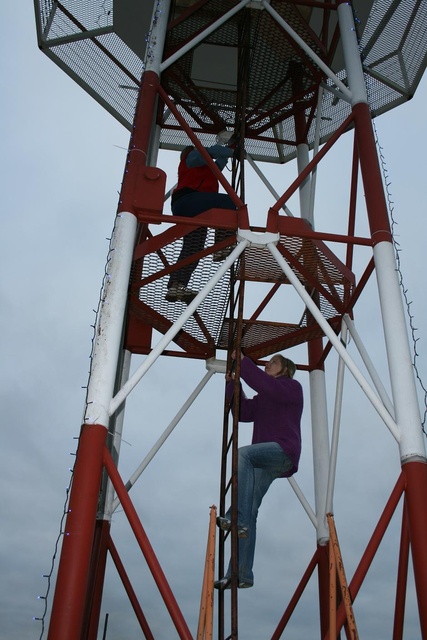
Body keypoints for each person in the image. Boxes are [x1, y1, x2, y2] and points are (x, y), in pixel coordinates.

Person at [214, 351, 303, 590]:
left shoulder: (292, 388)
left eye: (273, 362)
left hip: (283, 451)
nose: (268, 364)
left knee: (242, 454)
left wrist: (244, 362)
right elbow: (242, 412)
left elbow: (266, 386)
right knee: (249, 512)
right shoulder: (265, 396)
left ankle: (235, 516)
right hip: (263, 460)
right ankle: (241, 574)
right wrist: (233, 383)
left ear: (286, 369)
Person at [165, 136, 237, 303]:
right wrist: (232, 150)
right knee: (228, 201)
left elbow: (219, 162)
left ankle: (176, 285)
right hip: (189, 201)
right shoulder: (190, 158)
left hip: (194, 207)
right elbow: (208, 154)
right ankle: (221, 245)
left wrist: (231, 148)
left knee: (193, 247)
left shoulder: (206, 168)